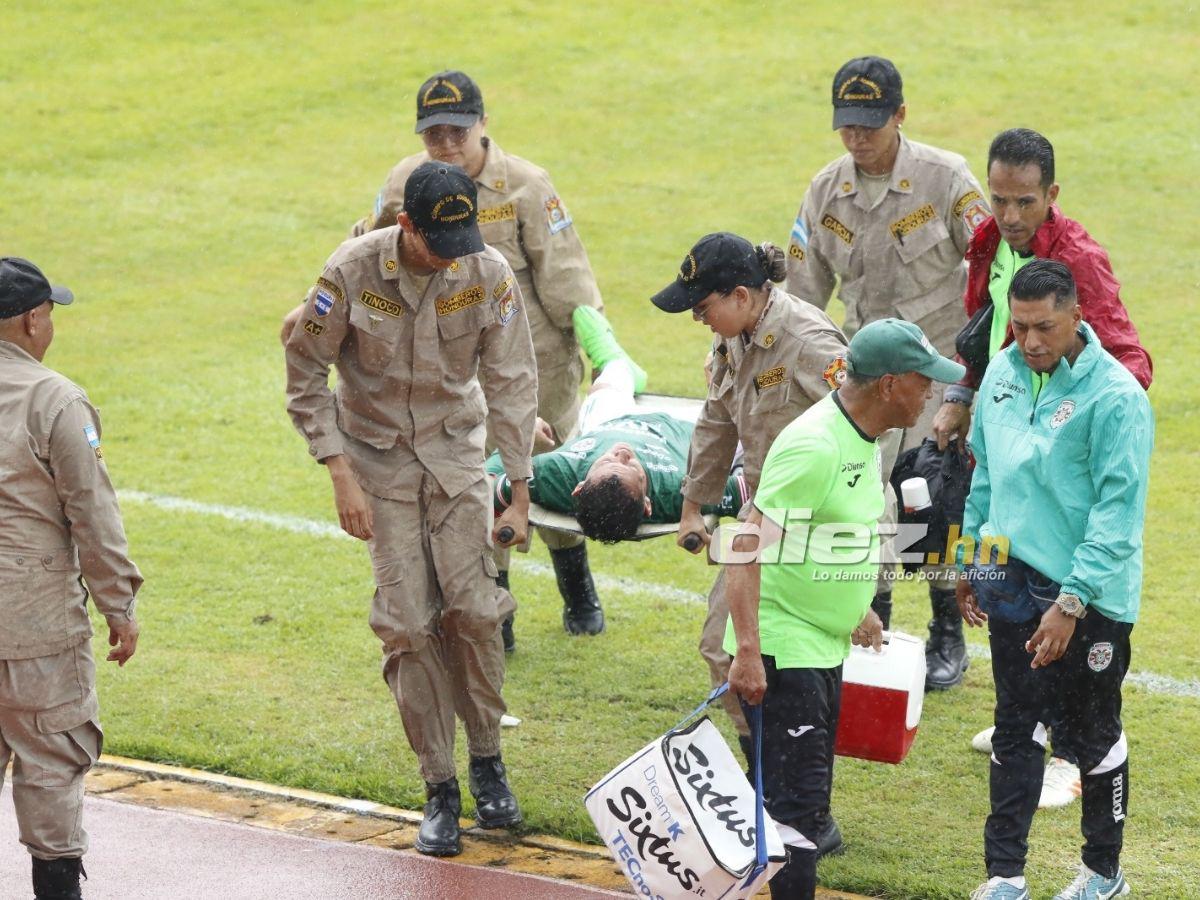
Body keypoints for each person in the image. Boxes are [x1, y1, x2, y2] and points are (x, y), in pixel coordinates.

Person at [282, 71, 628, 642]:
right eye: (433, 134)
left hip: (536, 357)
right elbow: (365, 257)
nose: (445, 144)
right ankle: (500, 606)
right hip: (454, 364)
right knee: (481, 483)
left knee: (552, 472)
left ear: (483, 124)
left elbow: (567, 278)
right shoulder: (404, 182)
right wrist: (308, 310)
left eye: (457, 132)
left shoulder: (527, 185)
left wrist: (600, 351)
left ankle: (576, 582)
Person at [284, 162, 538, 858]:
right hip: (378, 464)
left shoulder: (484, 270)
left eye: (462, 240)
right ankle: (439, 788)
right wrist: (338, 472)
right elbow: (304, 370)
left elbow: (512, 379)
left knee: (476, 612)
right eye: (436, 243)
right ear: (404, 226)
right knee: (406, 625)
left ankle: (488, 762)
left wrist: (518, 487)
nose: (451, 257)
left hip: (457, 457)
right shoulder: (350, 272)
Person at [932, 127, 1153, 809]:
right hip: (1009, 424)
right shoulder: (991, 243)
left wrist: (1070, 432)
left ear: (1051, 195)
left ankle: (1067, 751)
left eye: (1025, 202)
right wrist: (968, 396)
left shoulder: (1079, 261)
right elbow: (990, 331)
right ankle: (1025, 718)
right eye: (999, 200)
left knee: (1059, 590)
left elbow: (1128, 361)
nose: (1011, 216)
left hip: (1062, 448)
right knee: (991, 560)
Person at [724, 318, 966, 900]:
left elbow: (828, 536)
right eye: (921, 379)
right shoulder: (814, 446)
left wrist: (857, 608)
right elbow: (743, 551)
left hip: (820, 646)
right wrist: (750, 653)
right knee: (799, 815)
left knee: (803, 805)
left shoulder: (862, 437)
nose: (930, 391)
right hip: (785, 655)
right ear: (887, 385)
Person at [785, 56, 989, 690]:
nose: (858, 139)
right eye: (847, 126)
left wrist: (975, 372)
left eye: (871, 125)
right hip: (867, 376)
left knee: (934, 496)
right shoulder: (825, 191)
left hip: (935, 373)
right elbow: (800, 292)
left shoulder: (945, 178)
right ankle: (875, 622)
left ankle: (946, 634)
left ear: (900, 115)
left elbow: (990, 272)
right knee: (865, 500)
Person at [957, 260, 1152, 900]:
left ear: (1076, 317)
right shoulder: (1003, 379)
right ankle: (1004, 878)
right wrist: (970, 561)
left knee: (1090, 737)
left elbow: (1117, 516)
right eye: (1020, 327)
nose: (1032, 341)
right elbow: (986, 478)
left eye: (1045, 327)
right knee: (1015, 727)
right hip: (1013, 583)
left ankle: (1103, 874)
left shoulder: (1117, 398)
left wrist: (1071, 602)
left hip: (1090, 598)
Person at [649, 232, 849, 852]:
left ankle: (807, 811)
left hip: (818, 524)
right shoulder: (731, 335)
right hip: (764, 519)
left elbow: (867, 427)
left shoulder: (810, 344)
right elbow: (715, 419)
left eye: (702, 305)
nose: (696, 317)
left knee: (804, 671)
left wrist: (851, 535)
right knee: (725, 648)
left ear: (742, 294)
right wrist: (691, 505)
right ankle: (770, 782)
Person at [0, 257, 142, 900]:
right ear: (32, 320)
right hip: (33, 623)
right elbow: (91, 512)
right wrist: (118, 604)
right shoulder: (55, 398)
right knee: (51, 762)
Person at [486, 356, 753, 541]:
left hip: (611, 419)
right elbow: (750, 489)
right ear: (648, 504)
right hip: (687, 425)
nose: (623, 453)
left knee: (614, 370)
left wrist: (527, 438)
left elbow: (488, 481)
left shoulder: (557, 477)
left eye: (609, 461)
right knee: (741, 419)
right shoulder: (681, 494)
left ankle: (608, 347)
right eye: (632, 469)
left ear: (578, 487)